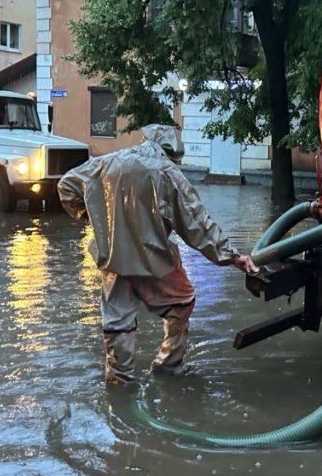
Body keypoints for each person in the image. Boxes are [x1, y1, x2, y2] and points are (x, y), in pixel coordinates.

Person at [58, 124, 258, 384]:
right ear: (173, 153)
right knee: (182, 302)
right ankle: (167, 366)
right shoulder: (168, 173)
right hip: (154, 258)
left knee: (117, 320)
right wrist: (232, 256)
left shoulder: (105, 163)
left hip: (112, 256)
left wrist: (94, 219)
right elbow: (198, 224)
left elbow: (66, 186)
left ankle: (119, 381)